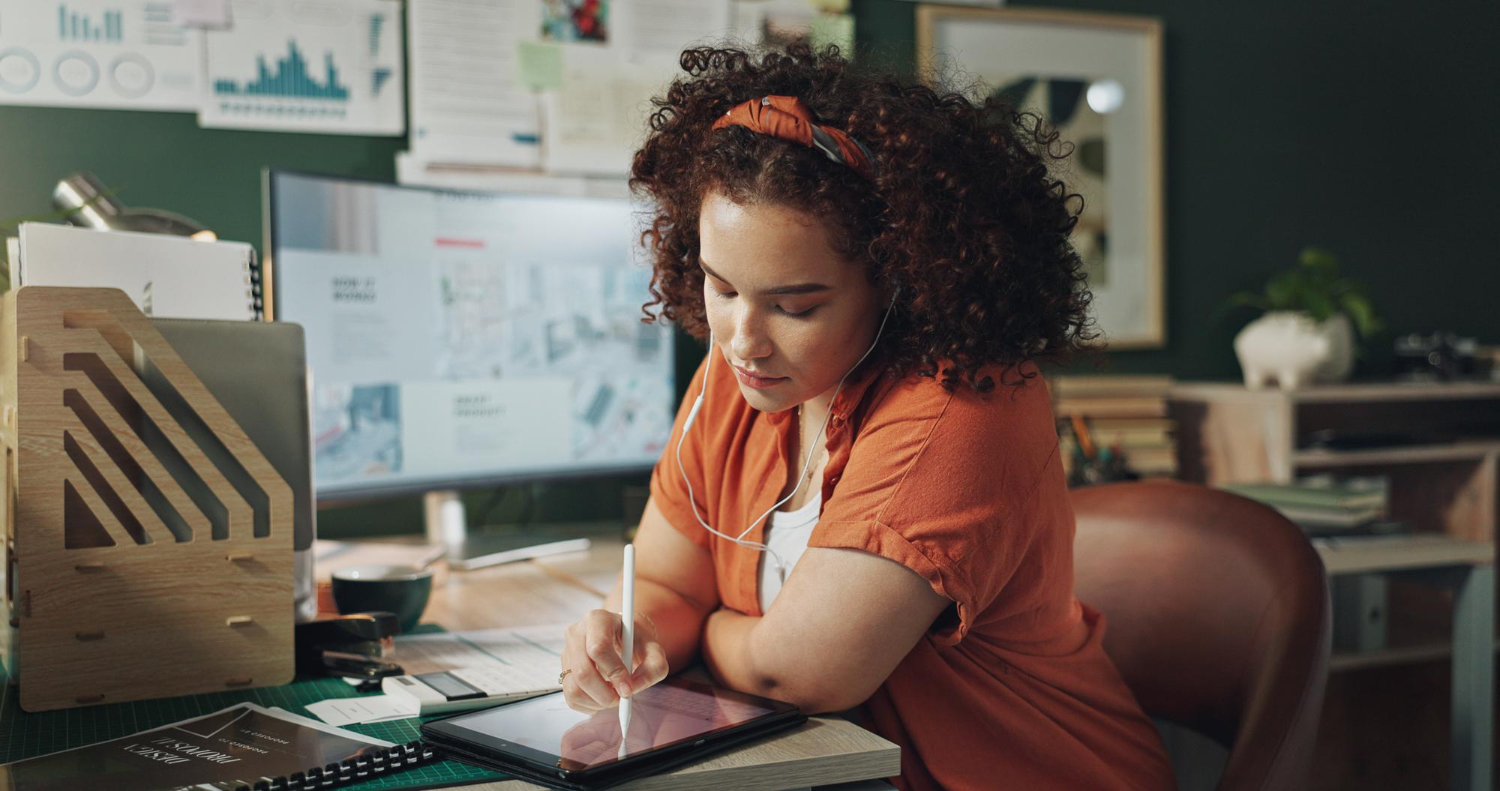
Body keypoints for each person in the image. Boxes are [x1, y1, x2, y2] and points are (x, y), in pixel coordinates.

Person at [558, 44, 1176, 790]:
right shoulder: (742, 376)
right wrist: (632, 636)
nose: (742, 339)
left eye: (796, 305)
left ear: (895, 278)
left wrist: (704, 632)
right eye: (722, 288)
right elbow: (667, 580)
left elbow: (803, 673)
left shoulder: (963, 409)